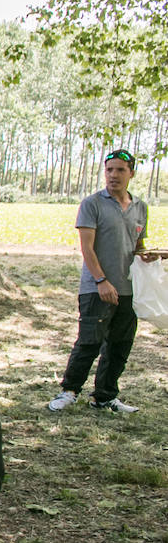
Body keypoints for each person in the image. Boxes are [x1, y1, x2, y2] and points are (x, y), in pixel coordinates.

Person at [48, 149, 155, 414]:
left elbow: (137, 246)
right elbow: (87, 248)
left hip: (128, 289)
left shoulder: (140, 207)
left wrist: (148, 256)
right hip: (96, 288)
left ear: (131, 173)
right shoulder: (92, 204)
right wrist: (101, 281)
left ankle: (105, 396)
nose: (113, 175)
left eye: (120, 170)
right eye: (109, 170)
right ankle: (69, 391)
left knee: (119, 345)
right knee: (89, 342)